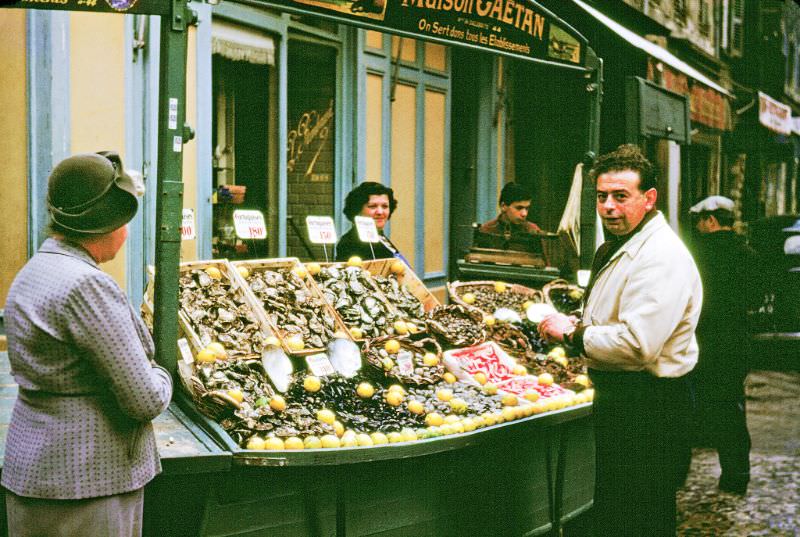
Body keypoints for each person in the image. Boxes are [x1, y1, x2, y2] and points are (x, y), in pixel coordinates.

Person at [2, 152, 173, 536]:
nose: (127, 233)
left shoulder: (35, 270)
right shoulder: (87, 284)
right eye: (124, 223)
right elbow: (144, 398)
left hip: (35, 470)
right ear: (107, 227)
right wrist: (164, 371)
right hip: (87, 484)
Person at [538, 144, 702, 536]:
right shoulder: (623, 244)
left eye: (620, 196)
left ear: (648, 199)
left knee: (639, 512)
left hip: (650, 404)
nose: (608, 206)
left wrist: (573, 334)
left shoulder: (659, 256)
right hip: (626, 400)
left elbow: (635, 344)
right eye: (601, 196)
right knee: (623, 508)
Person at [688, 195, 756, 495]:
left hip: (700, 341)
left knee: (687, 405)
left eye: (700, 221)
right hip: (735, 344)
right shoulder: (748, 254)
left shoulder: (696, 254)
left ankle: (677, 473)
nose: (698, 227)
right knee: (731, 409)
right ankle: (736, 474)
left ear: (710, 221)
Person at [335, 181, 408, 263]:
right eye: (372, 206)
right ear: (357, 210)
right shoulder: (349, 243)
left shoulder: (379, 236)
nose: (380, 212)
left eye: (385, 206)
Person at [474, 182, 544, 252]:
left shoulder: (533, 231)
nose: (524, 214)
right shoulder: (486, 230)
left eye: (527, 208)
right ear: (503, 206)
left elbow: (541, 261)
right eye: (519, 208)